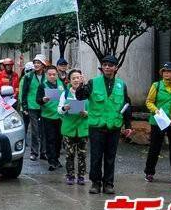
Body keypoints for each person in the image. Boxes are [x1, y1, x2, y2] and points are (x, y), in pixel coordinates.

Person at [76, 55, 133, 195]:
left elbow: (126, 105)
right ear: (102, 67)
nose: (107, 67)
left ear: (116, 68)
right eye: (105, 64)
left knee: (110, 157)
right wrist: (81, 86)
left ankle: (108, 183)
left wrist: (128, 125)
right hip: (97, 126)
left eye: (110, 65)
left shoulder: (121, 85)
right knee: (96, 156)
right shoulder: (93, 82)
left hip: (114, 126)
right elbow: (80, 97)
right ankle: (95, 183)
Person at [58, 69, 89, 185]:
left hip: (82, 128)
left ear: (82, 79)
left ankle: (81, 176)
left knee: (82, 155)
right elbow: (59, 110)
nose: (76, 80)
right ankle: (70, 175)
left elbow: (94, 110)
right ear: (69, 80)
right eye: (74, 78)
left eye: (78, 77)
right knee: (69, 154)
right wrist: (64, 108)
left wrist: (87, 113)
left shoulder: (87, 92)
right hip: (69, 128)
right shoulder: (65, 93)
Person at [35, 65, 65, 171]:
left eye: (54, 74)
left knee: (58, 139)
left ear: (57, 75)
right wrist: (43, 100)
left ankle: (56, 158)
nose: (52, 76)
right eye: (50, 74)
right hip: (47, 117)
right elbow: (37, 100)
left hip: (60, 116)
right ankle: (51, 161)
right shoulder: (42, 86)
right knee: (50, 139)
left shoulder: (61, 84)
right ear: (46, 75)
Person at [19, 54, 48, 161]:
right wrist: (25, 107)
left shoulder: (47, 76)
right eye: (35, 62)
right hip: (32, 106)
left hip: (45, 106)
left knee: (44, 130)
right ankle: (34, 152)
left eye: (38, 63)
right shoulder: (28, 76)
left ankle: (43, 152)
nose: (36, 64)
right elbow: (24, 92)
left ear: (43, 65)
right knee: (35, 130)